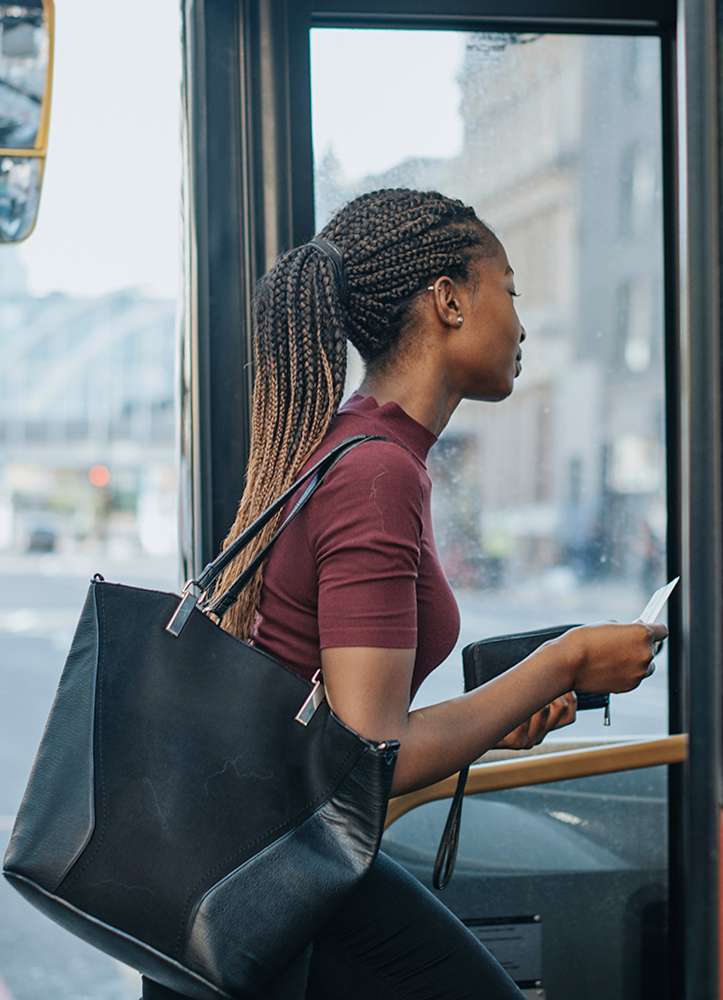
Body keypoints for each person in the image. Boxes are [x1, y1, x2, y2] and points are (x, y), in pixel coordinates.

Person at [142, 189, 666, 1000]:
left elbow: (346, 747)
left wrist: (494, 718)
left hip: (256, 867)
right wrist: (565, 661)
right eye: (511, 289)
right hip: (274, 884)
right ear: (450, 300)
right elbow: (368, 751)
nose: (523, 325)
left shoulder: (358, 445)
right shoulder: (378, 474)